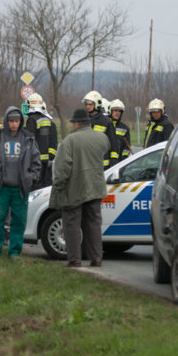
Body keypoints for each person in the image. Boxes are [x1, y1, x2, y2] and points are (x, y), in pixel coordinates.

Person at [50, 108, 110, 267]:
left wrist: (58, 185)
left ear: (76, 123)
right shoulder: (101, 138)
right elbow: (106, 150)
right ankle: (96, 258)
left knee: (72, 225)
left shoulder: (69, 141)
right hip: (95, 188)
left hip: (74, 189)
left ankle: (74, 260)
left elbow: (63, 168)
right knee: (94, 224)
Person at [0, 106, 41, 260]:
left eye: (16, 121)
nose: (14, 124)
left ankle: (14, 251)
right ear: (6, 121)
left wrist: (30, 177)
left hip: (20, 188)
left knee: (19, 220)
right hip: (1, 187)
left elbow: (36, 162)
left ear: (20, 121)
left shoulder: (28, 138)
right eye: (11, 121)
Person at [24, 93, 58, 189]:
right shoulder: (49, 121)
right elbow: (54, 141)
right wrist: (51, 157)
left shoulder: (31, 120)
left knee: (35, 188)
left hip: (35, 162)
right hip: (47, 163)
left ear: (29, 105)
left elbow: (29, 140)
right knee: (46, 188)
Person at [82, 90, 118, 168]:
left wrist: (113, 166)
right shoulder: (84, 121)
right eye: (86, 104)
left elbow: (113, 146)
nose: (87, 106)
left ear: (97, 104)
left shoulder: (106, 122)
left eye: (90, 104)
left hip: (102, 167)